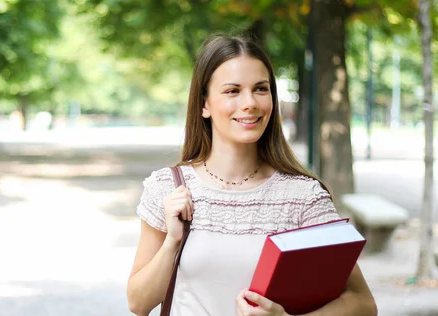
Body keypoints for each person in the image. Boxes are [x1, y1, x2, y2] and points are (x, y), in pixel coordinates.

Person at [127, 34, 377, 316]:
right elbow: (139, 303)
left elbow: (362, 304)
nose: (250, 103)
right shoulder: (167, 188)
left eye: (260, 89)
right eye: (232, 91)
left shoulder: (303, 197)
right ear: (204, 105)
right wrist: (172, 241)